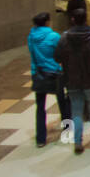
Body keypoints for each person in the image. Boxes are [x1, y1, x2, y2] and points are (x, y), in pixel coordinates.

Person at [55, 6, 90, 155]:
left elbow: (57, 57)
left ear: (72, 20)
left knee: (76, 110)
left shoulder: (64, 39)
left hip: (71, 80)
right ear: (85, 20)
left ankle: (77, 141)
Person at [27, 11, 70, 148]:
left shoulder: (31, 37)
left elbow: (33, 55)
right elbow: (61, 54)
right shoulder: (53, 36)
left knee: (40, 106)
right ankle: (68, 130)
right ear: (47, 22)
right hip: (54, 73)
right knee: (62, 101)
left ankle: (40, 139)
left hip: (38, 74)